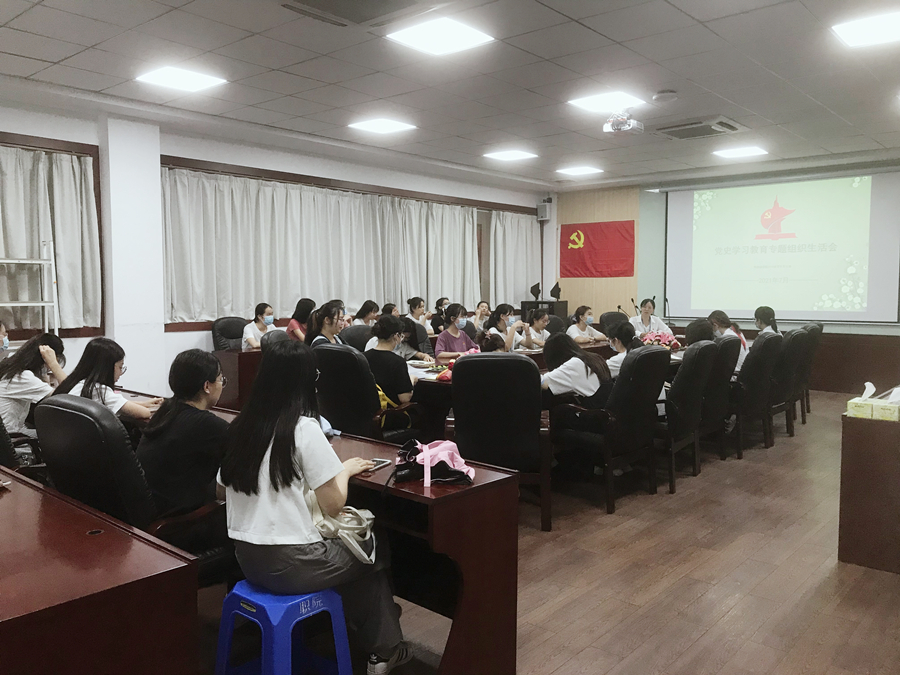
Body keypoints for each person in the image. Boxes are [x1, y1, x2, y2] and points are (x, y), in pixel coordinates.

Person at [218, 340, 410, 674]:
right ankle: (385, 647)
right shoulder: (304, 429)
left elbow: (222, 488)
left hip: (247, 559)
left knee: (355, 559)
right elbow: (333, 505)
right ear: (306, 381)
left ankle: (376, 631)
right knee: (372, 547)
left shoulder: (240, 426)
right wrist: (345, 471)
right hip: (293, 565)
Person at [137, 350, 228, 515]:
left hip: (149, 507)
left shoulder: (165, 410)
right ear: (207, 386)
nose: (222, 385)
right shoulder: (206, 424)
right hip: (178, 520)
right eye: (221, 379)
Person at [52, 337, 161, 420]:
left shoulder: (78, 384)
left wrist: (146, 403)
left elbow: (121, 404)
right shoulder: (100, 391)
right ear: (107, 368)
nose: (121, 372)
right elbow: (143, 413)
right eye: (120, 367)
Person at [0, 333, 66, 437]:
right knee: (58, 437)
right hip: (9, 437)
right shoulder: (22, 376)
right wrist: (54, 364)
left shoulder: (10, 368)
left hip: (12, 432)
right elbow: (68, 395)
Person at [541, 333, 613, 409]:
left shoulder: (573, 364)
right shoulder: (594, 357)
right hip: (606, 408)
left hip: (593, 412)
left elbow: (542, 381)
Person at [364, 316, 416, 405]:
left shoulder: (362, 357)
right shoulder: (398, 362)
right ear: (396, 336)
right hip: (390, 410)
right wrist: (412, 379)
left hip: (367, 408)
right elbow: (404, 398)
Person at [365, 317, 433, 363]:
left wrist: (425, 356)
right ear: (395, 334)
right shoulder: (373, 342)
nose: (402, 339)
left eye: (406, 338)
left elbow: (415, 353)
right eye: (401, 336)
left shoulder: (403, 345)